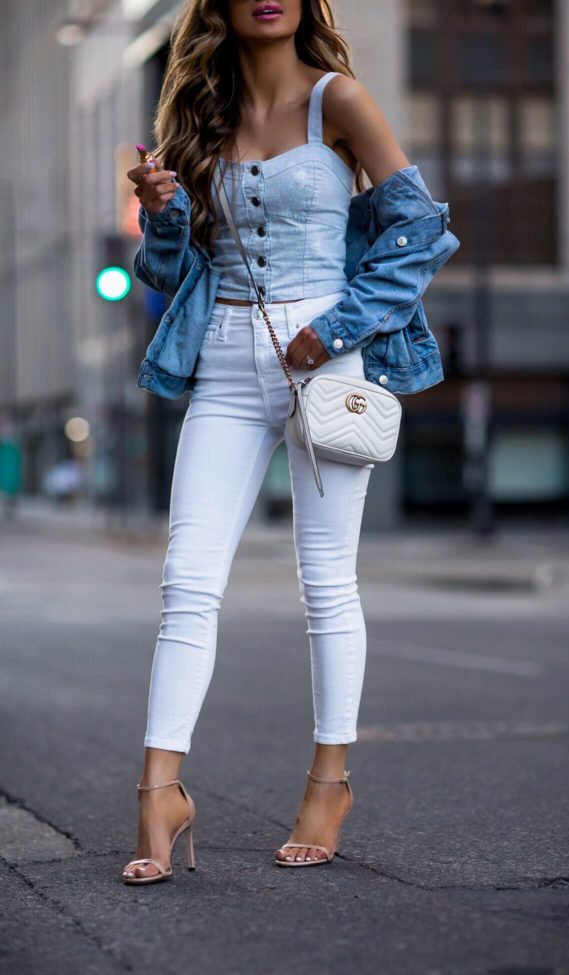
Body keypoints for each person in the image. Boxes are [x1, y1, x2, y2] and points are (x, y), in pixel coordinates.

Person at [122, 0, 454, 884]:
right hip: (224, 361)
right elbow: (168, 267)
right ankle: (159, 794)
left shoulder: (338, 100)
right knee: (187, 582)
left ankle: (329, 781)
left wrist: (340, 322)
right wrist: (161, 212)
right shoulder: (199, 112)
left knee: (325, 581)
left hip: (328, 362)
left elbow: (421, 228)